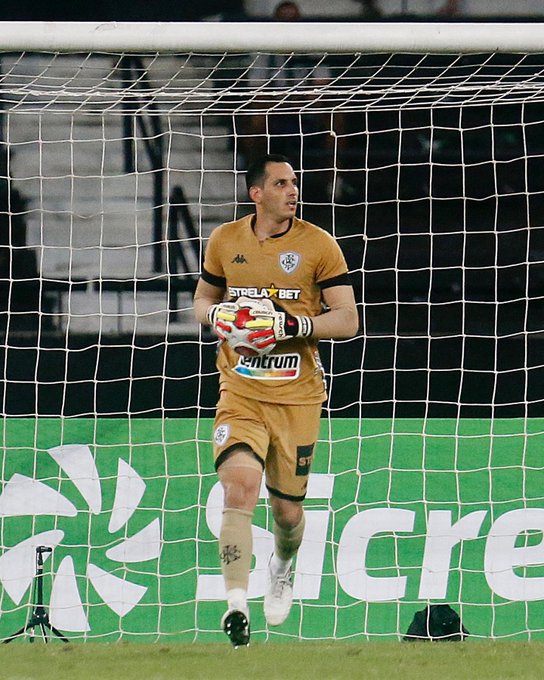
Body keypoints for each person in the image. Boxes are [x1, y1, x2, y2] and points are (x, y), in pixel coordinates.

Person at [193, 153, 358, 647]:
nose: (293, 191)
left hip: (297, 397)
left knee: (287, 515)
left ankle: (282, 567)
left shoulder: (318, 245)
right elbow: (201, 300)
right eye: (282, 183)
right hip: (240, 392)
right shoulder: (225, 240)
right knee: (238, 489)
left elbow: (347, 320)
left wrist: (293, 324)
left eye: (295, 183)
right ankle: (236, 605)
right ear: (256, 193)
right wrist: (218, 317)